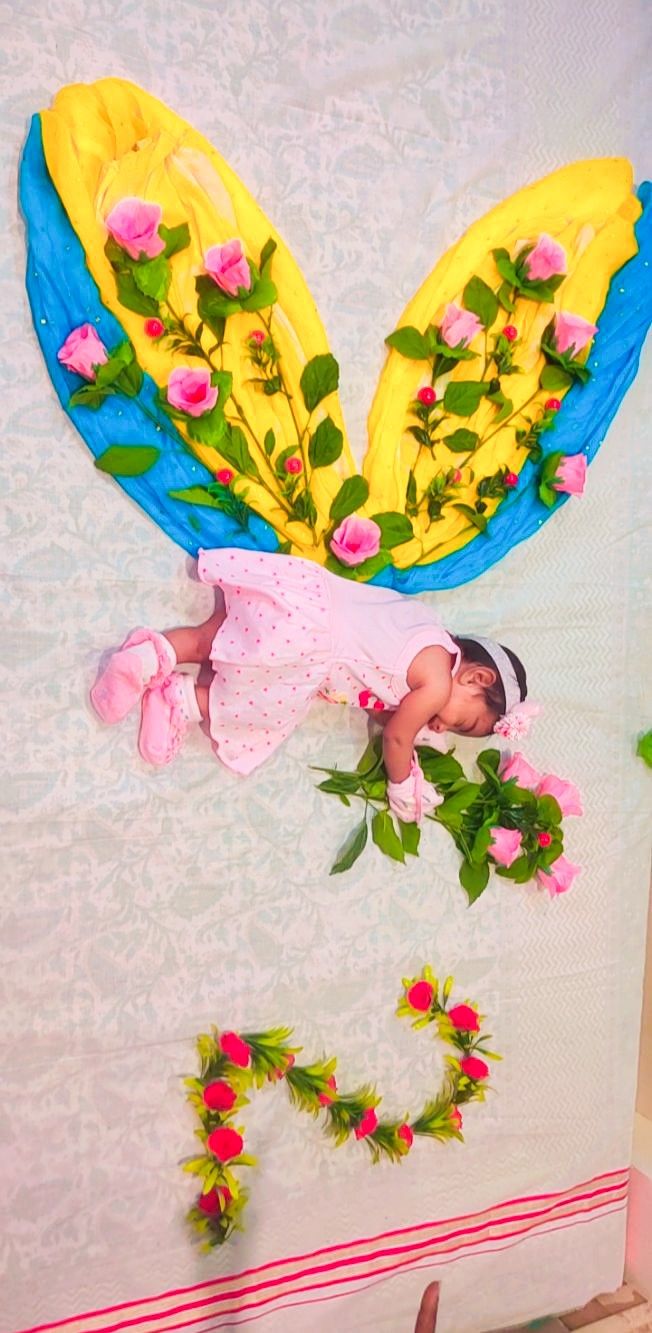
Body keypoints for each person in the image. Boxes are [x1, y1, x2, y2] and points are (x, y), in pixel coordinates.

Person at [91, 549, 530, 823]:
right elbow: (396, 736)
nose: (446, 727)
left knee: (213, 637)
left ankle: (145, 658)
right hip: (307, 647)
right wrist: (401, 781)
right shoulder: (435, 682)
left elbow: (376, 698)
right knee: (263, 706)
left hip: (303, 602)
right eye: (463, 722)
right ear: (476, 677)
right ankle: (183, 700)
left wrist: (405, 718)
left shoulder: (428, 631)